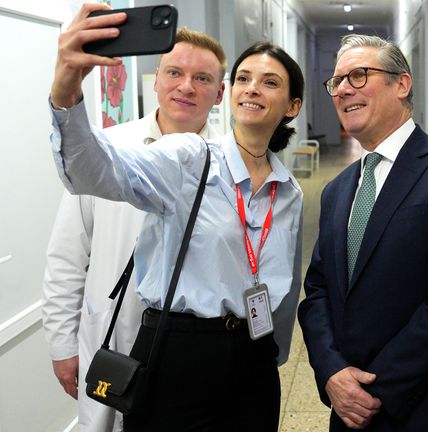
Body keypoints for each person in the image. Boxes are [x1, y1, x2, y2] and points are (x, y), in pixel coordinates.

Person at [47, 4, 304, 431]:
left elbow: (284, 285)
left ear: (292, 106)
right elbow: (94, 171)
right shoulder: (189, 156)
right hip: (180, 352)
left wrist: (270, 353)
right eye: (244, 78)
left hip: (252, 358)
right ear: (232, 93)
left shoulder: (287, 190)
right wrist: (65, 89)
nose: (252, 89)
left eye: (269, 82)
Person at [297, 34, 428, 431]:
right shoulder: (338, 190)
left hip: (424, 405)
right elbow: (318, 290)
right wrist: (332, 372)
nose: (342, 90)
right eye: (336, 82)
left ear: (401, 84)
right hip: (347, 405)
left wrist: (376, 389)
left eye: (358, 76)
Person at [41, 26, 225, 432]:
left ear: (220, 93)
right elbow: (68, 257)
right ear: (155, 79)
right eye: (174, 73)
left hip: (187, 352)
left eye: (203, 78)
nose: (186, 87)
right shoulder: (106, 149)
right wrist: (62, 344)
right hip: (112, 336)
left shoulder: (229, 166)